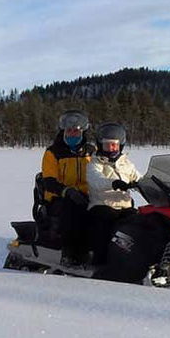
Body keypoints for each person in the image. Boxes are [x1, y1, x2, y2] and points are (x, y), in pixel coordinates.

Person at [37, 110, 95, 266]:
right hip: (59, 196)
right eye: (69, 130)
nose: (73, 134)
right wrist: (66, 191)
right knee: (72, 209)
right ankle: (69, 252)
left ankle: (99, 250)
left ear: (82, 131)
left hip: (86, 194)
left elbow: (101, 172)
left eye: (76, 130)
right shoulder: (53, 152)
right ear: (63, 131)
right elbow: (49, 180)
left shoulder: (90, 151)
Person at [85, 122, 141, 266]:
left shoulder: (126, 163)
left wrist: (153, 185)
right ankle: (100, 262)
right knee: (105, 222)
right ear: (100, 145)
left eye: (114, 145)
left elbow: (139, 178)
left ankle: (139, 259)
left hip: (124, 206)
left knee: (143, 222)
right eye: (108, 145)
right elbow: (95, 180)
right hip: (102, 204)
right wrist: (114, 183)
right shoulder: (95, 163)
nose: (112, 148)